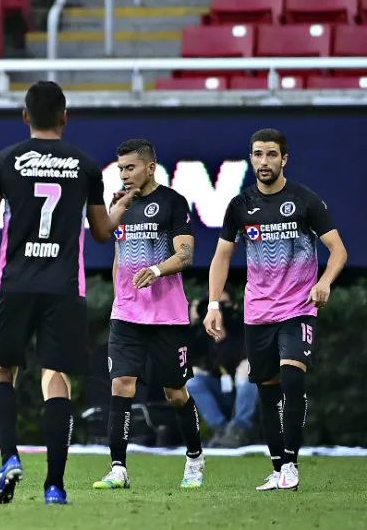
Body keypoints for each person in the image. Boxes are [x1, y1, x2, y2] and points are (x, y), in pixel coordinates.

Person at [0, 81, 134, 505]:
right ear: (65, 117)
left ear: (25, 116)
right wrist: (120, 206)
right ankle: (55, 485)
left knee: (0, 370)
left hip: (15, 284)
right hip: (65, 288)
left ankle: (10, 458)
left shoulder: (3, 162)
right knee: (56, 378)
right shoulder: (86, 166)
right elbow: (103, 233)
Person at [204, 128, 347, 491]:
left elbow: (339, 250)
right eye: (257, 154)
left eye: (271, 154)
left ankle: (292, 466)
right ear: (251, 158)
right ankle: (278, 465)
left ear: (284, 159)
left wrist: (325, 281)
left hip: (298, 308)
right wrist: (213, 303)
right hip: (258, 313)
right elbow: (222, 255)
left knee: (293, 378)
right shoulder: (240, 206)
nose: (263, 161)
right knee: (267, 390)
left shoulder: (304, 200)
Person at [92, 139, 205, 491]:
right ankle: (118, 469)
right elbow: (117, 253)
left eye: (130, 167)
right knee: (121, 385)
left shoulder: (172, 203)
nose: (124, 174)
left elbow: (185, 255)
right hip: (126, 315)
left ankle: (195, 457)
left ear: (150, 167)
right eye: (120, 168)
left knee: (175, 393)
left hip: (167, 318)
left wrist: (156, 271)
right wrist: (119, 296)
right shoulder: (120, 206)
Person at [188, 289, 258, 448]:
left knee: (249, 371)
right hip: (222, 391)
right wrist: (194, 322)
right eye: (215, 305)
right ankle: (222, 429)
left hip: (246, 391)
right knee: (192, 380)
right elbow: (186, 351)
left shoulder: (243, 327)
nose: (219, 310)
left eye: (223, 305)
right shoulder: (204, 333)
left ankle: (239, 429)